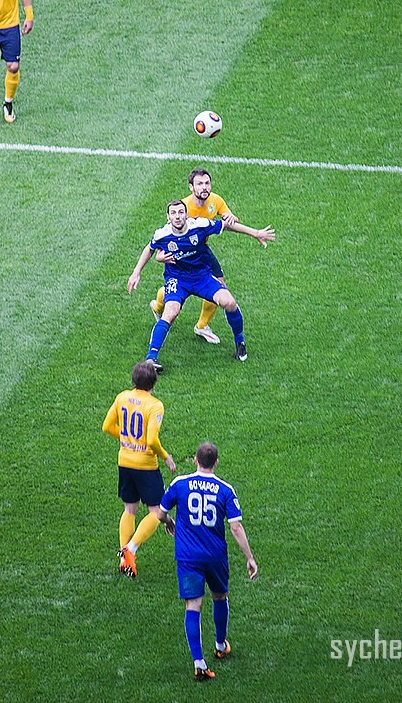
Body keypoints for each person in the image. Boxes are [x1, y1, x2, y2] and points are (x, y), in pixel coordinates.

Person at [127, 200, 275, 368]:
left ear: (186, 214)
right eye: (173, 213)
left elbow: (227, 226)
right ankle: (151, 358)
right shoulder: (162, 234)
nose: (177, 216)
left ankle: (240, 342)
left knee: (229, 302)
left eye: (181, 212)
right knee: (171, 312)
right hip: (178, 279)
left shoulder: (199, 225)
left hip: (202, 276)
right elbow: (150, 248)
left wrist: (255, 233)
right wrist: (136, 272)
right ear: (168, 217)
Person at [158, 441, 258, 681]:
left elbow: (161, 513)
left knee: (193, 605)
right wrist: (249, 557)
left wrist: (169, 522)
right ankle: (221, 645)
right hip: (215, 557)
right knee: (220, 597)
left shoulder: (179, 483)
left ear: (195, 460)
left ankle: (199, 663)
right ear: (216, 462)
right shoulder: (225, 490)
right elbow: (235, 527)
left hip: (188, 558)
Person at [102, 360, 176, 578]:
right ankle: (130, 549)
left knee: (129, 509)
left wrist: (126, 439)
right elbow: (152, 439)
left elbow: (107, 427)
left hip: (124, 461)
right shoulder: (155, 405)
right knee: (156, 511)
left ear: (133, 380)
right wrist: (165, 456)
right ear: (153, 382)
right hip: (145, 465)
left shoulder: (122, 397)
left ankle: (125, 558)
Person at [150, 168, 239, 345]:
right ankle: (158, 306)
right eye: (200, 184)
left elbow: (227, 218)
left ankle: (202, 325)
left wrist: (230, 217)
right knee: (174, 290)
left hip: (202, 251)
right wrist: (159, 257)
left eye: (207, 183)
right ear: (191, 187)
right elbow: (166, 237)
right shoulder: (182, 207)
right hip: (183, 253)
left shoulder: (215, 200)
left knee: (219, 286)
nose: (204, 187)